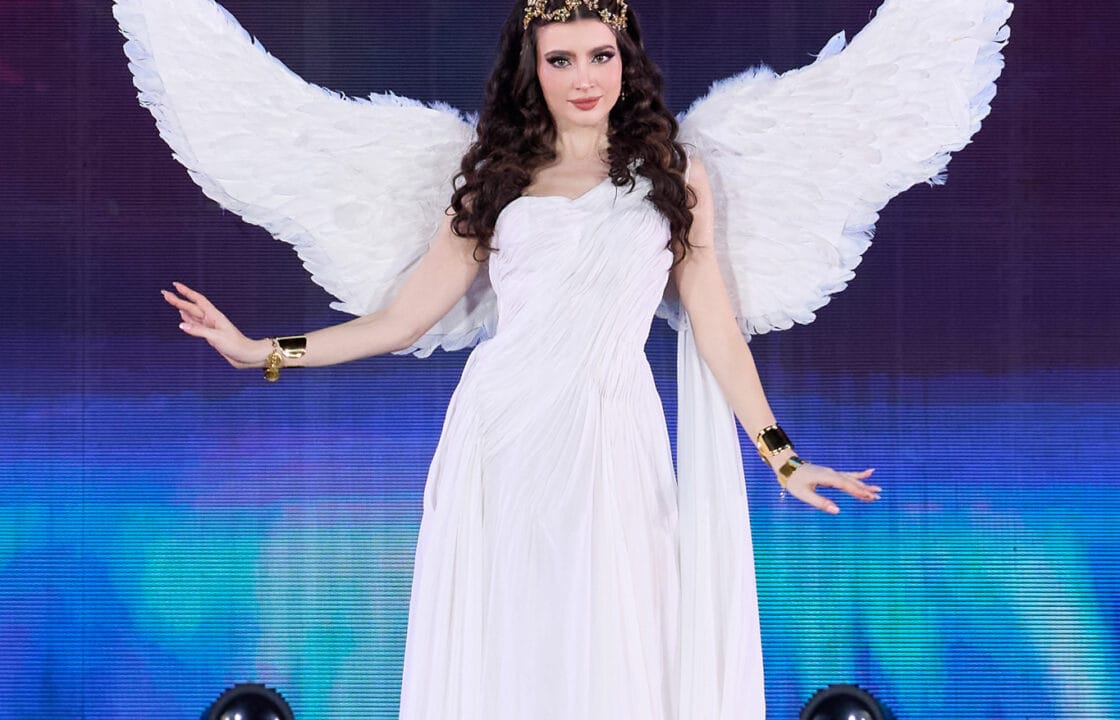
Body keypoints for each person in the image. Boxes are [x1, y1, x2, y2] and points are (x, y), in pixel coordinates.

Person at [160, 1, 889, 717]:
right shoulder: (497, 179)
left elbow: (717, 329)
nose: (584, 78)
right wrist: (264, 353)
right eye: (560, 60)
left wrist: (783, 458)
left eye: (600, 56)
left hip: (612, 436)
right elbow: (401, 320)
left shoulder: (672, 174)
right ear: (531, 70)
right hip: (503, 435)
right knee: (510, 643)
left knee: (615, 640)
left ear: (626, 62)